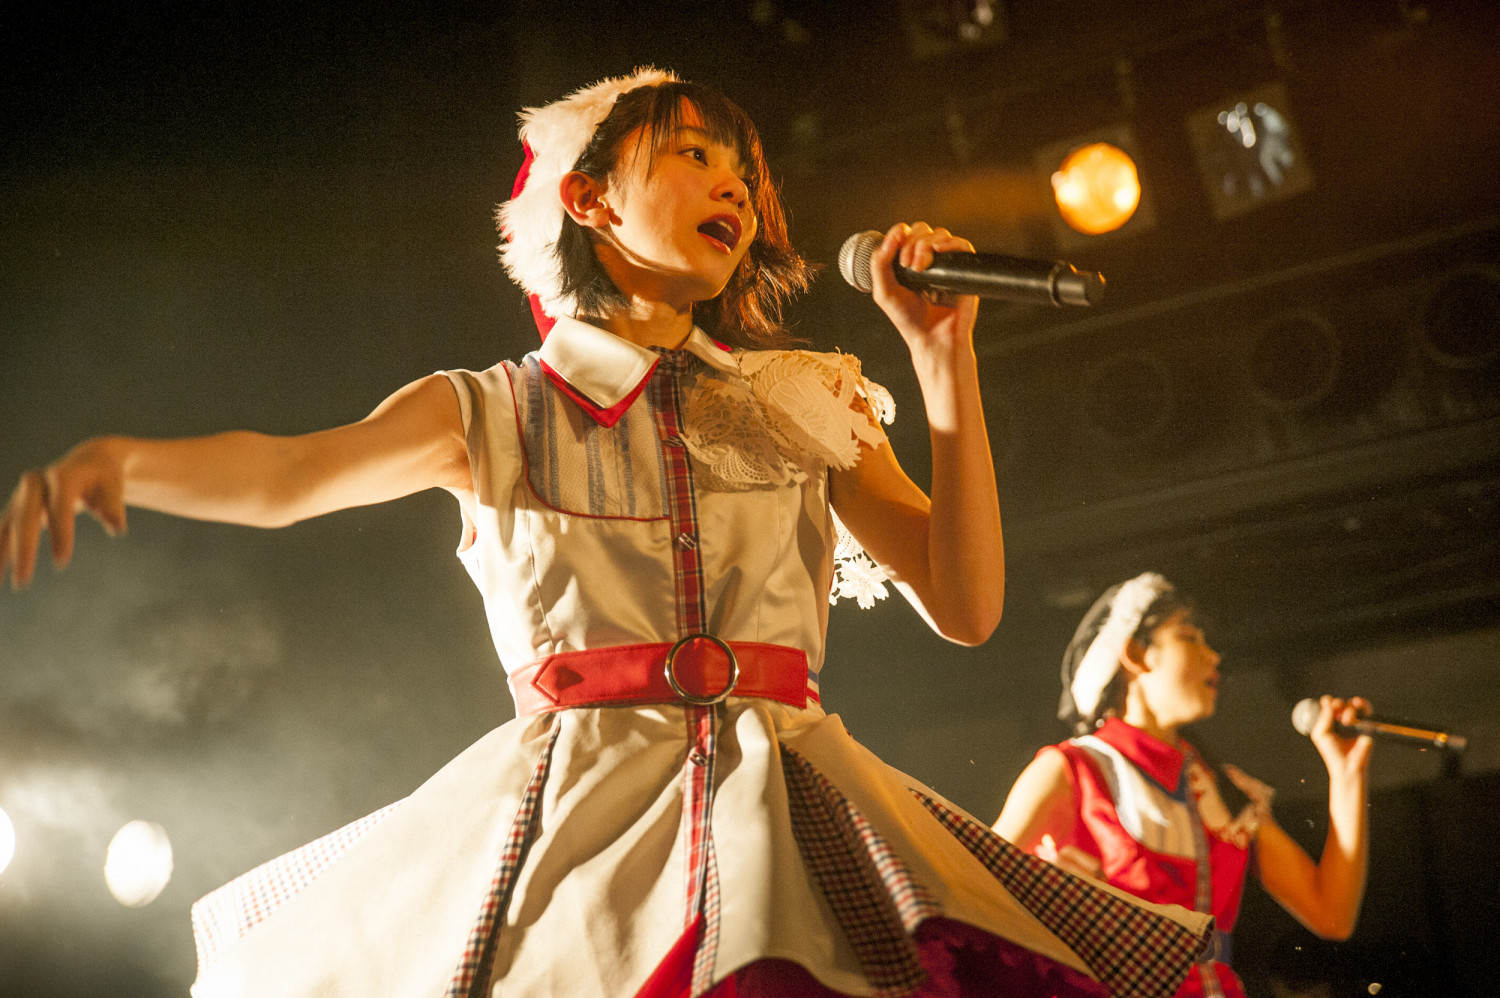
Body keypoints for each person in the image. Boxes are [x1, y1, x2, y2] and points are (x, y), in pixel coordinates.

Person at [2, 69, 1212, 998]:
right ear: (587, 199)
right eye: (693, 156)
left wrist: (943, 367)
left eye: (743, 171)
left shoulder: (807, 398)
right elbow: (289, 474)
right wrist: (126, 463)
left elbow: (969, 604)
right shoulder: (491, 408)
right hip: (574, 823)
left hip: (791, 809)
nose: (734, 187)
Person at [994, 572, 1373, 998]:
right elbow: (972, 895)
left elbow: (1331, 914)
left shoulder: (1223, 789)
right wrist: (1042, 903)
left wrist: (1347, 775)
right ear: (1136, 653)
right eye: (1189, 637)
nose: (1213, 656)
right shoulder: (1071, 770)